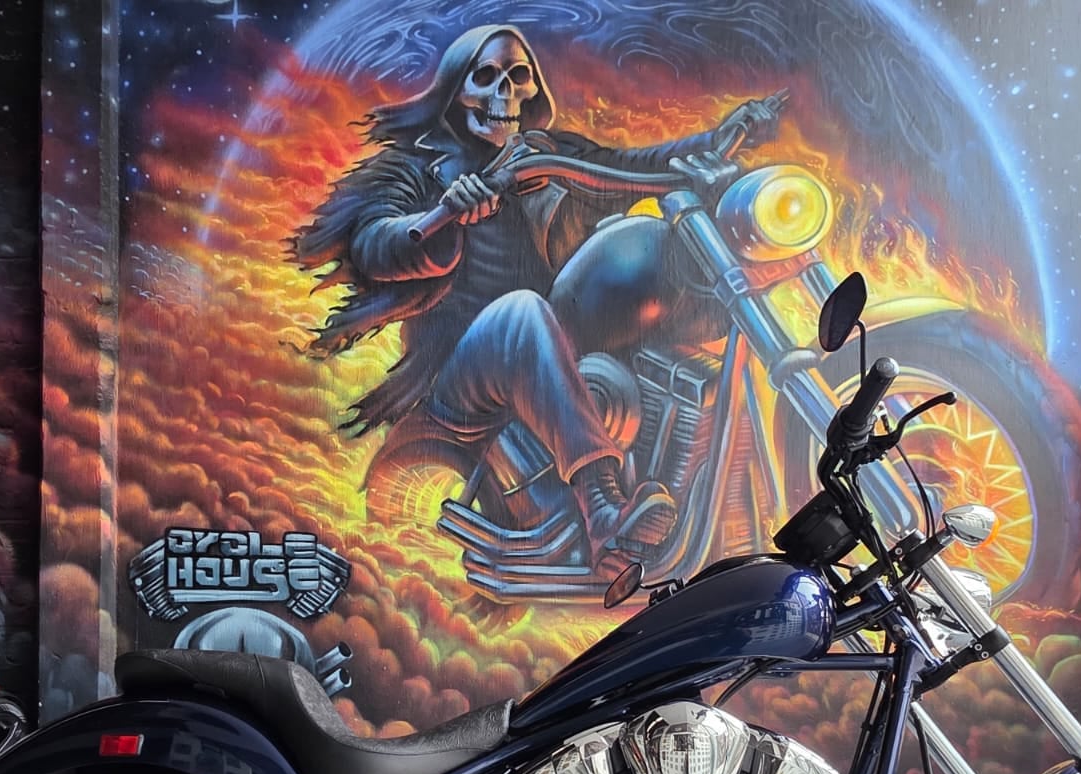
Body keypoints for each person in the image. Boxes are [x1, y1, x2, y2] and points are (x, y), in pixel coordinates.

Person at [292, 24, 782, 569]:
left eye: (517, 77)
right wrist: (443, 214)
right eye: (485, 78)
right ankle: (602, 509)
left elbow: (634, 166)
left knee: (657, 267)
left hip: (552, 361)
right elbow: (375, 243)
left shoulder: (546, 156)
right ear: (453, 89)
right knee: (521, 311)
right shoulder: (411, 167)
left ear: (532, 90)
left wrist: (721, 139)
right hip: (461, 386)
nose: (503, 94)